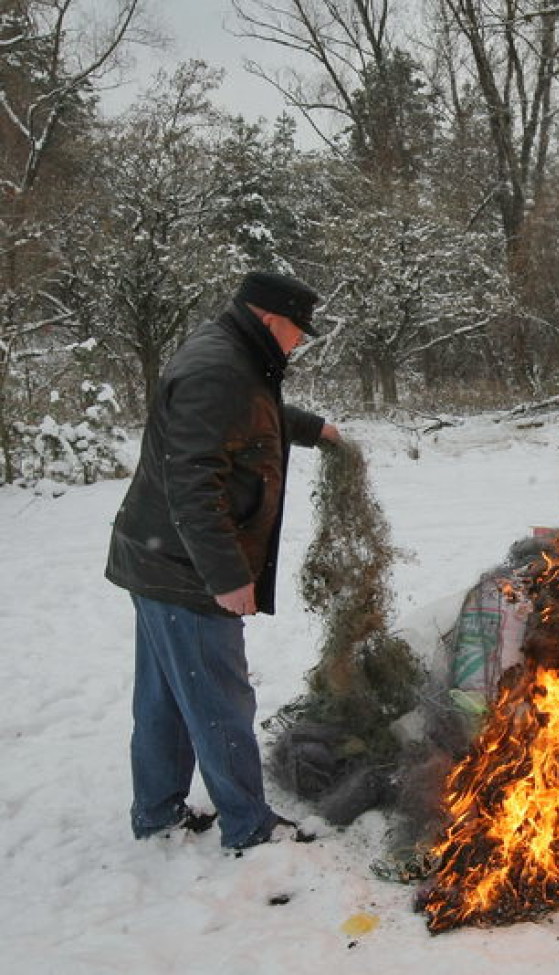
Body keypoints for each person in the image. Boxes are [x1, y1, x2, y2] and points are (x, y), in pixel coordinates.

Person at [105, 270, 341, 851]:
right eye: (296, 331)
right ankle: (248, 826)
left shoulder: (230, 353)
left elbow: (246, 419)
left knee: (166, 696)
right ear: (269, 320)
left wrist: (310, 428)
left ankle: (157, 811)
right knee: (219, 700)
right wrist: (229, 576)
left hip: (158, 560)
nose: (300, 342)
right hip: (186, 570)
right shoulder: (221, 370)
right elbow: (192, 483)